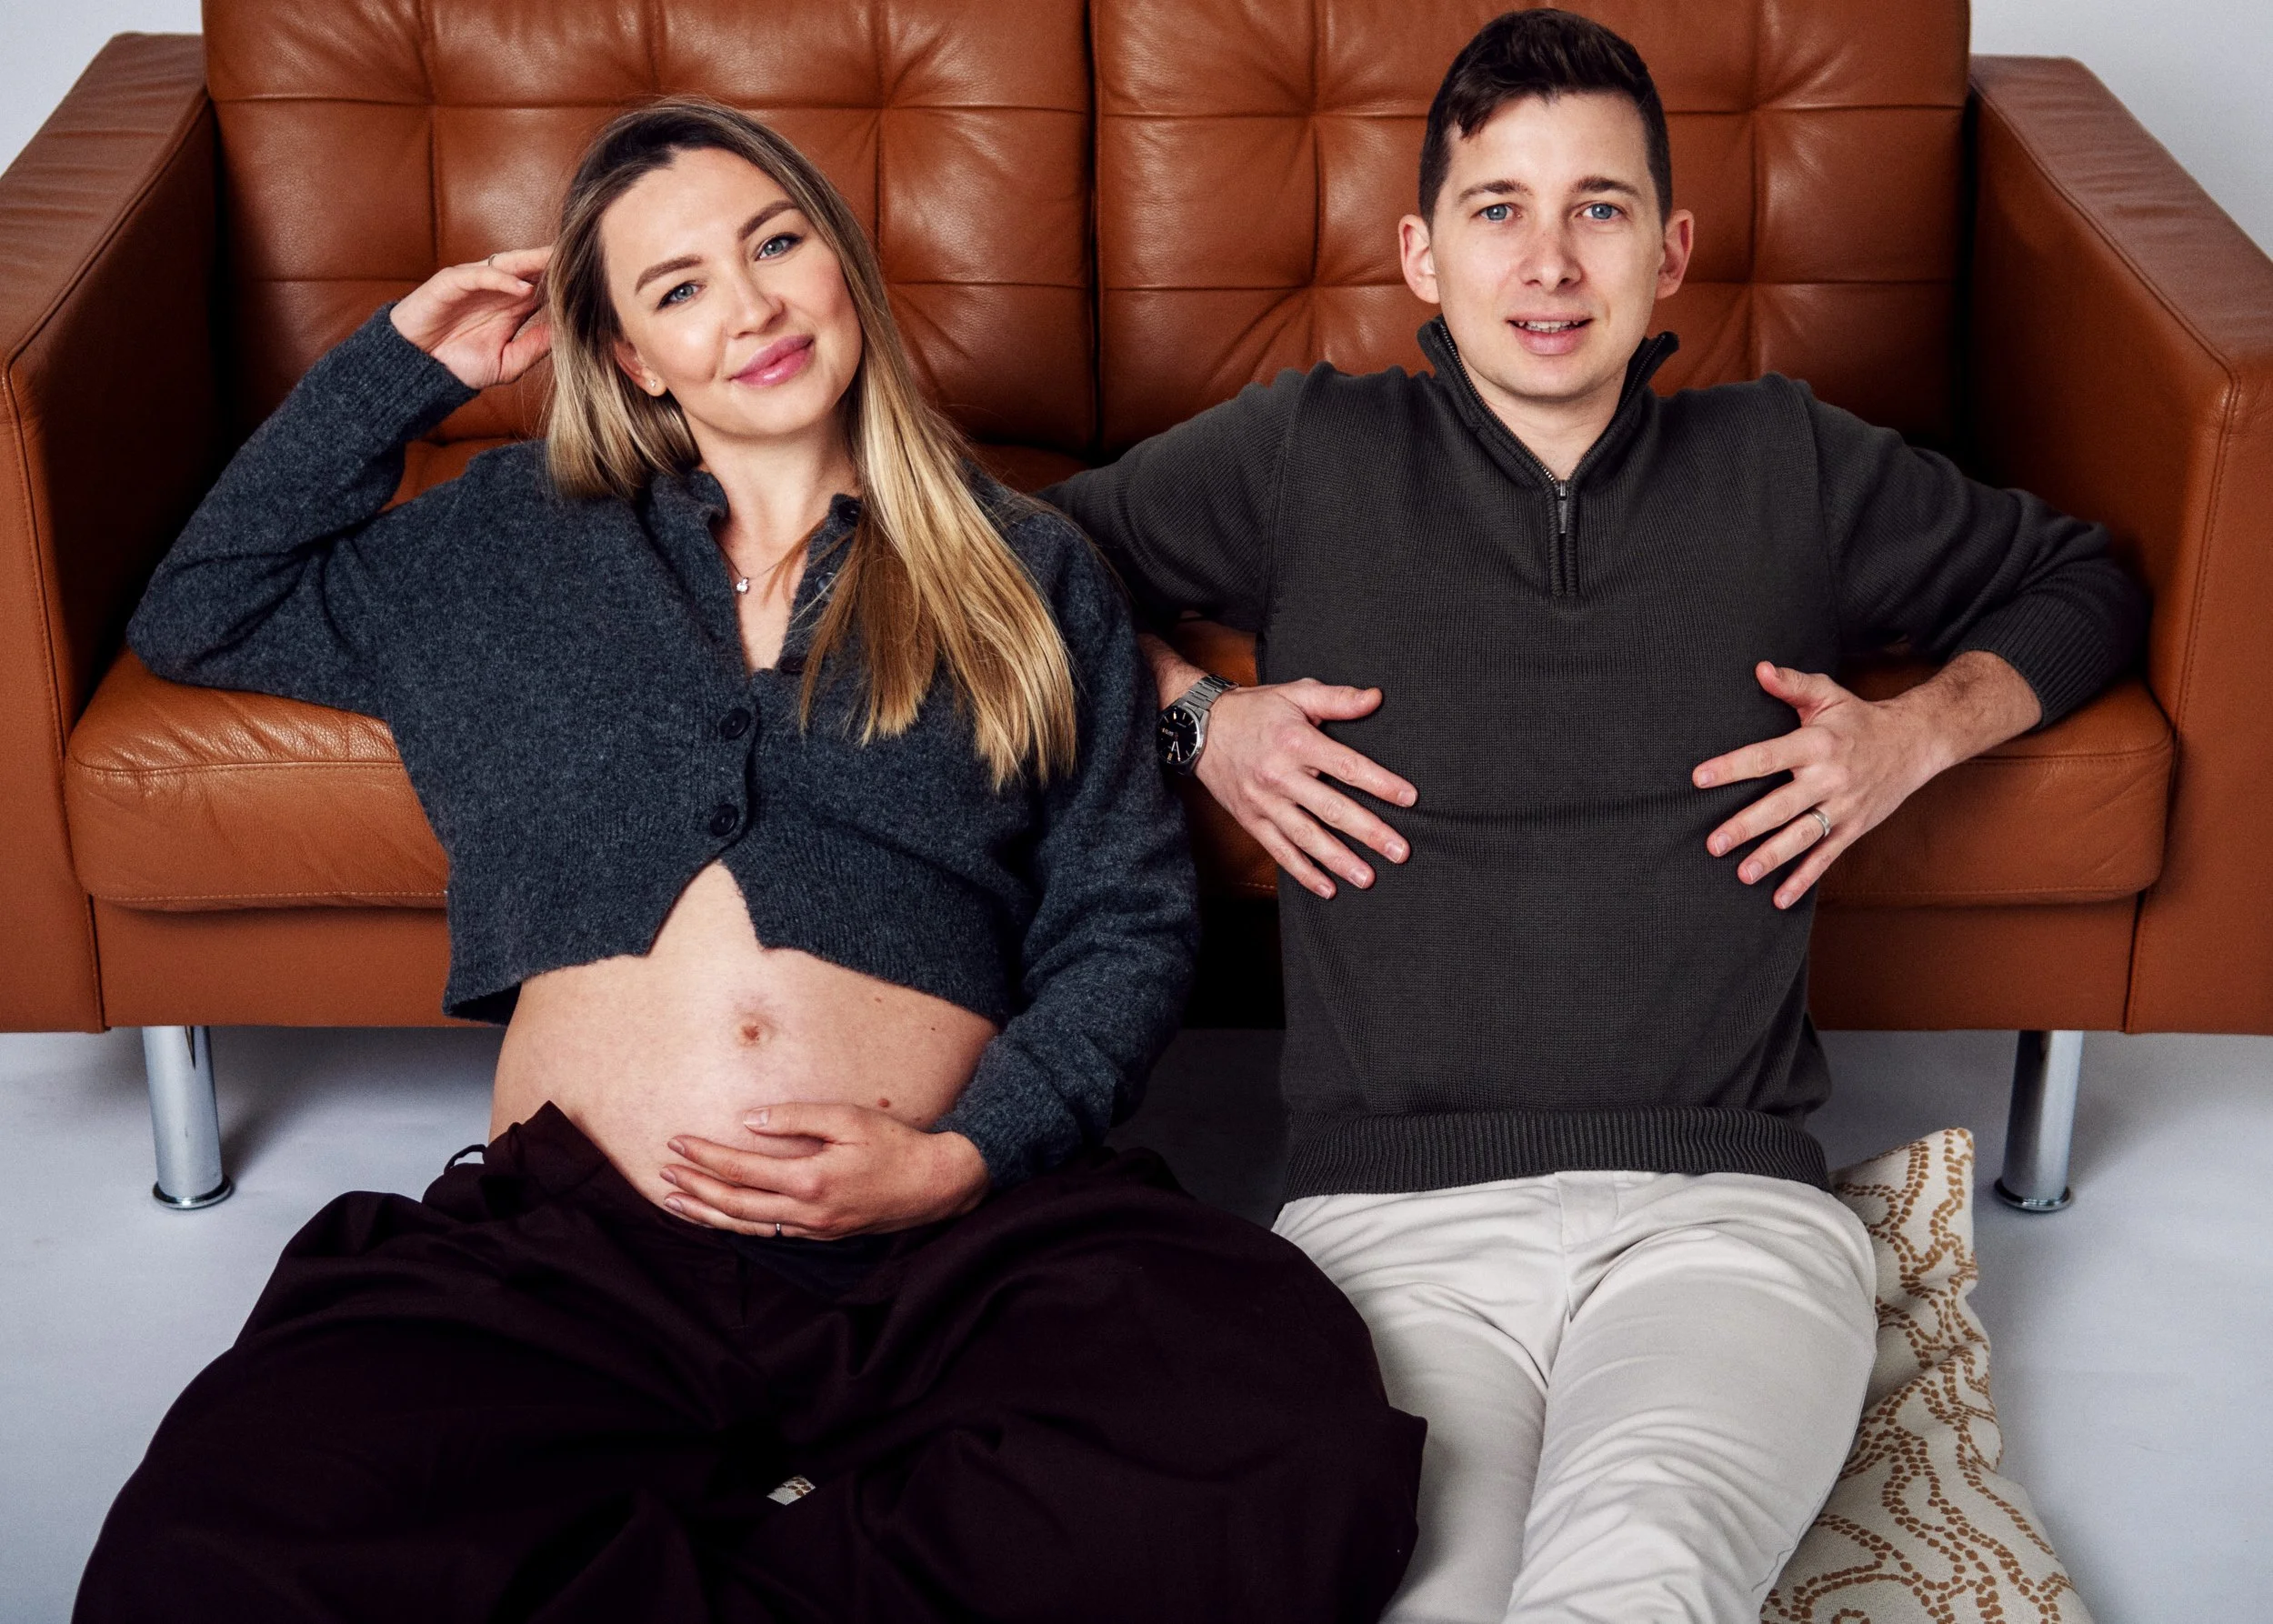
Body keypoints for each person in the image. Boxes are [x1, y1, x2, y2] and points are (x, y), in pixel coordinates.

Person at [75, 99, 1423, 1624]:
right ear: (635, 357)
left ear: (841, 265)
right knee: (216, 1539)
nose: (754, 306)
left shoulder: (1024, 568)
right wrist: (405, 363)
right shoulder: (513, 539)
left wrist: (960, 1157)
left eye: (777, 243)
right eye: (680, 287)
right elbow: (204, 605)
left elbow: (1125, 921)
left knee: (1291, 1435)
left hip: (943, 1235)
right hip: (576, 1253)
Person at [1036, 11, 2148, 1622]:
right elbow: (1007, 558)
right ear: (1423, 254)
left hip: (1728, 1220)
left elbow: (2087, 577)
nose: (1548, 262)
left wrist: (1916, 735)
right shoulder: (1308, 455)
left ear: (1671, 250)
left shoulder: (1786, 460)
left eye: (1599, 209)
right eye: (1499, 209)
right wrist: (1196, 716)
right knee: (1411, 1588)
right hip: (1387, 1222)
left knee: (1639, 1575)